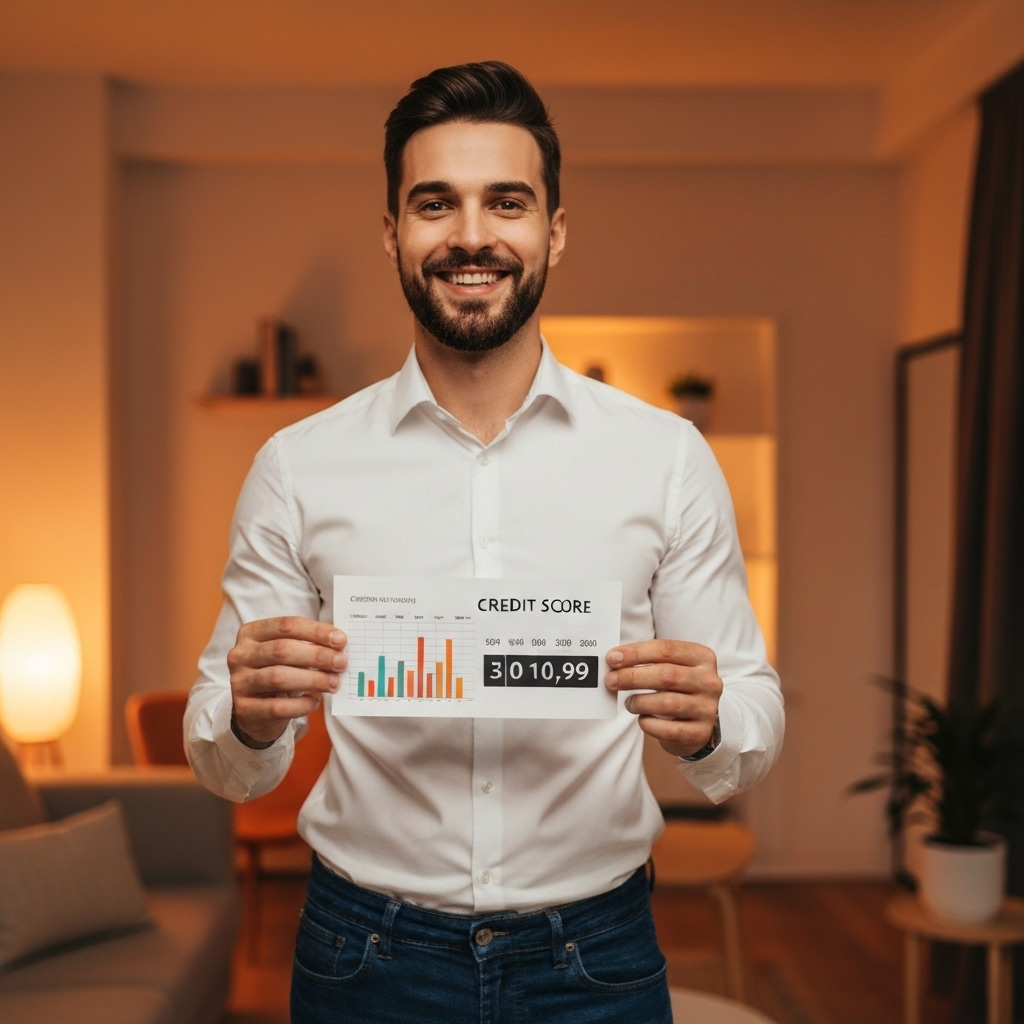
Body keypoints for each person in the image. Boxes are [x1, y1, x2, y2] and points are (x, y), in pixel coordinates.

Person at [185, 60, 784, 1023]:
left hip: (598, 954)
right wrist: (250, 717)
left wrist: (713, 722)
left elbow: (751, 723)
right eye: (436, 204)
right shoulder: (296, 468)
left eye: (506, 202)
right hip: (362, 956)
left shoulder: (667, 459)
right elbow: (223, 759)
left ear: (553, 230)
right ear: (393, 234)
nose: (471, 236)